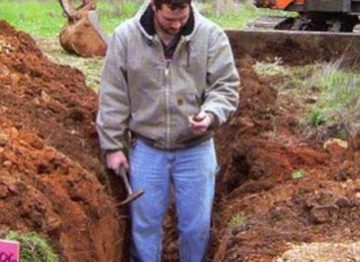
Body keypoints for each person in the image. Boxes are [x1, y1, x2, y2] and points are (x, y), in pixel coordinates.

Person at [96, 0, 240, 261]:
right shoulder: (126, 38)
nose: (176, 25)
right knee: (145, 226)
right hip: (148, 148)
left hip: (196, 149)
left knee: (196, 228)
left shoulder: (210, 36)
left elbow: (226, 87)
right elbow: (113, 95)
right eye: (168, 20)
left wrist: (210, 115)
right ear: (154, 6)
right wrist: (113, 146)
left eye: (182, 18)